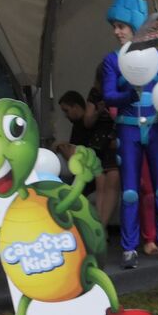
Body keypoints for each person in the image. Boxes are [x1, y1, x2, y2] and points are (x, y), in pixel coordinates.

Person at [100, 0, 158, 269]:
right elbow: (108, 95)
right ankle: (129, 248)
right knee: (131, 191)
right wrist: (129, 96)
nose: (116, 32)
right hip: (128, 129)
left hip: (157, 128)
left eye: (121, 26)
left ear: (135, 26)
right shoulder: (112, 60)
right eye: (114, 27)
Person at [56, 89, 120, 228]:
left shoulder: (88, 126)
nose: (66, 115)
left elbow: (81, 152)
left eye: (66, 110)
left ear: (77, 107)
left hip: (92, 169)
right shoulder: (78, 125)